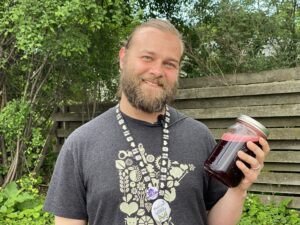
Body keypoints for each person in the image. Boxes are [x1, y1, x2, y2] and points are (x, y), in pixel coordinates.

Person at [44, 18, 270, 225]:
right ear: (123, 58)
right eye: (147, 58)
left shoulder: (199, 137)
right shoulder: (81, 144)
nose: (157, 71)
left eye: (169, 64)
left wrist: (238, 190)